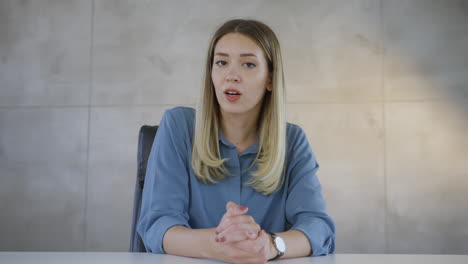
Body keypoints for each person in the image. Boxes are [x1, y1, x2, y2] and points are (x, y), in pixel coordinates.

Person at [137, 19, 335, 263]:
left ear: (270, 79)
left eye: (248, 64)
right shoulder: (178, 126)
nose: (231, 75)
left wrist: (272, 244)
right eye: (221, 62)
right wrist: (220, 244)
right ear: (211, 73)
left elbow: (318, 228)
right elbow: (158, 225)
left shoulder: (293, 141)